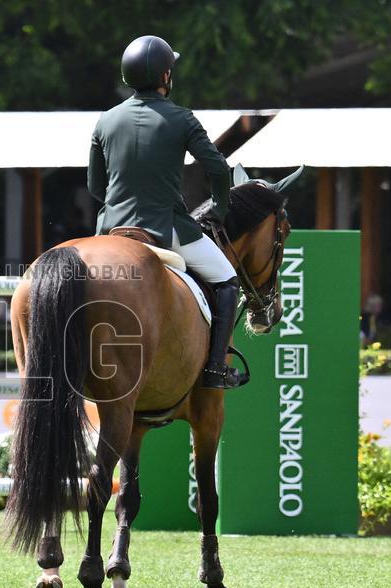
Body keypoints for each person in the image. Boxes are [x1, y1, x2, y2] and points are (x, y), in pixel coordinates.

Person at [87, 35, 240, 389]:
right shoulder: (182, 118)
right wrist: (219, 208)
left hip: (111, 230)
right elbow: (218, 170)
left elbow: (96, 187)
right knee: (228, 279)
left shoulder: (105, 121)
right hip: (166, 228)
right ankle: (215, 370)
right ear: (166, 76)